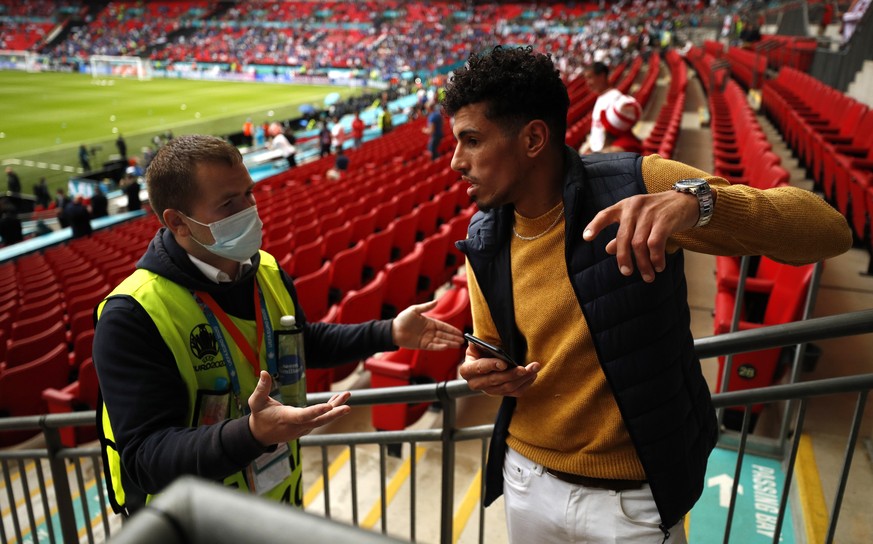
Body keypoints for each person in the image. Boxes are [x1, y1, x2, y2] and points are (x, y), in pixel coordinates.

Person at [441, 46, 852, 543]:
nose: (456, 161)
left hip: (630, 500)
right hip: (526, 481)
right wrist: (481, 370)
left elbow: (829, 230)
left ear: (532, 138)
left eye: (471, 140)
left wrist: (698, 205)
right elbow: (490, 346)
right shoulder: (483, 236)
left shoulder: (640, 184)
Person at [92, 134, 464, 517]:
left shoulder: (264, 268)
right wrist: (250, 435)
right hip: (194, 524)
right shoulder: (132, 314)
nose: (250, 209)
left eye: (249, 193)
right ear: (177, 222)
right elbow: (145, 458)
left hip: (276, 505)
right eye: (228, 203)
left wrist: (388, 333)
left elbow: (298, 342)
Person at [579, 61, 623, 154]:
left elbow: (612, 135)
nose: (588, 83)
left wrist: (597, 156)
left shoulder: (615, 98)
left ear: (602, 76)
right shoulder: (601, 97)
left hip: (603, 157)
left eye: (590, 78)